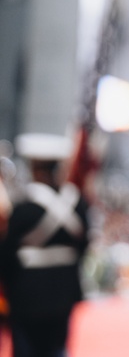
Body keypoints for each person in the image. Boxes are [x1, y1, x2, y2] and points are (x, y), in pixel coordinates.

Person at [0, 133, 89, 357]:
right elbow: (84, 246)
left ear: (34, 167)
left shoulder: (23, 206)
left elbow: (7, 254)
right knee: (57, 349)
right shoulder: (77, 203)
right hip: (64, 291)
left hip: (26, 294)